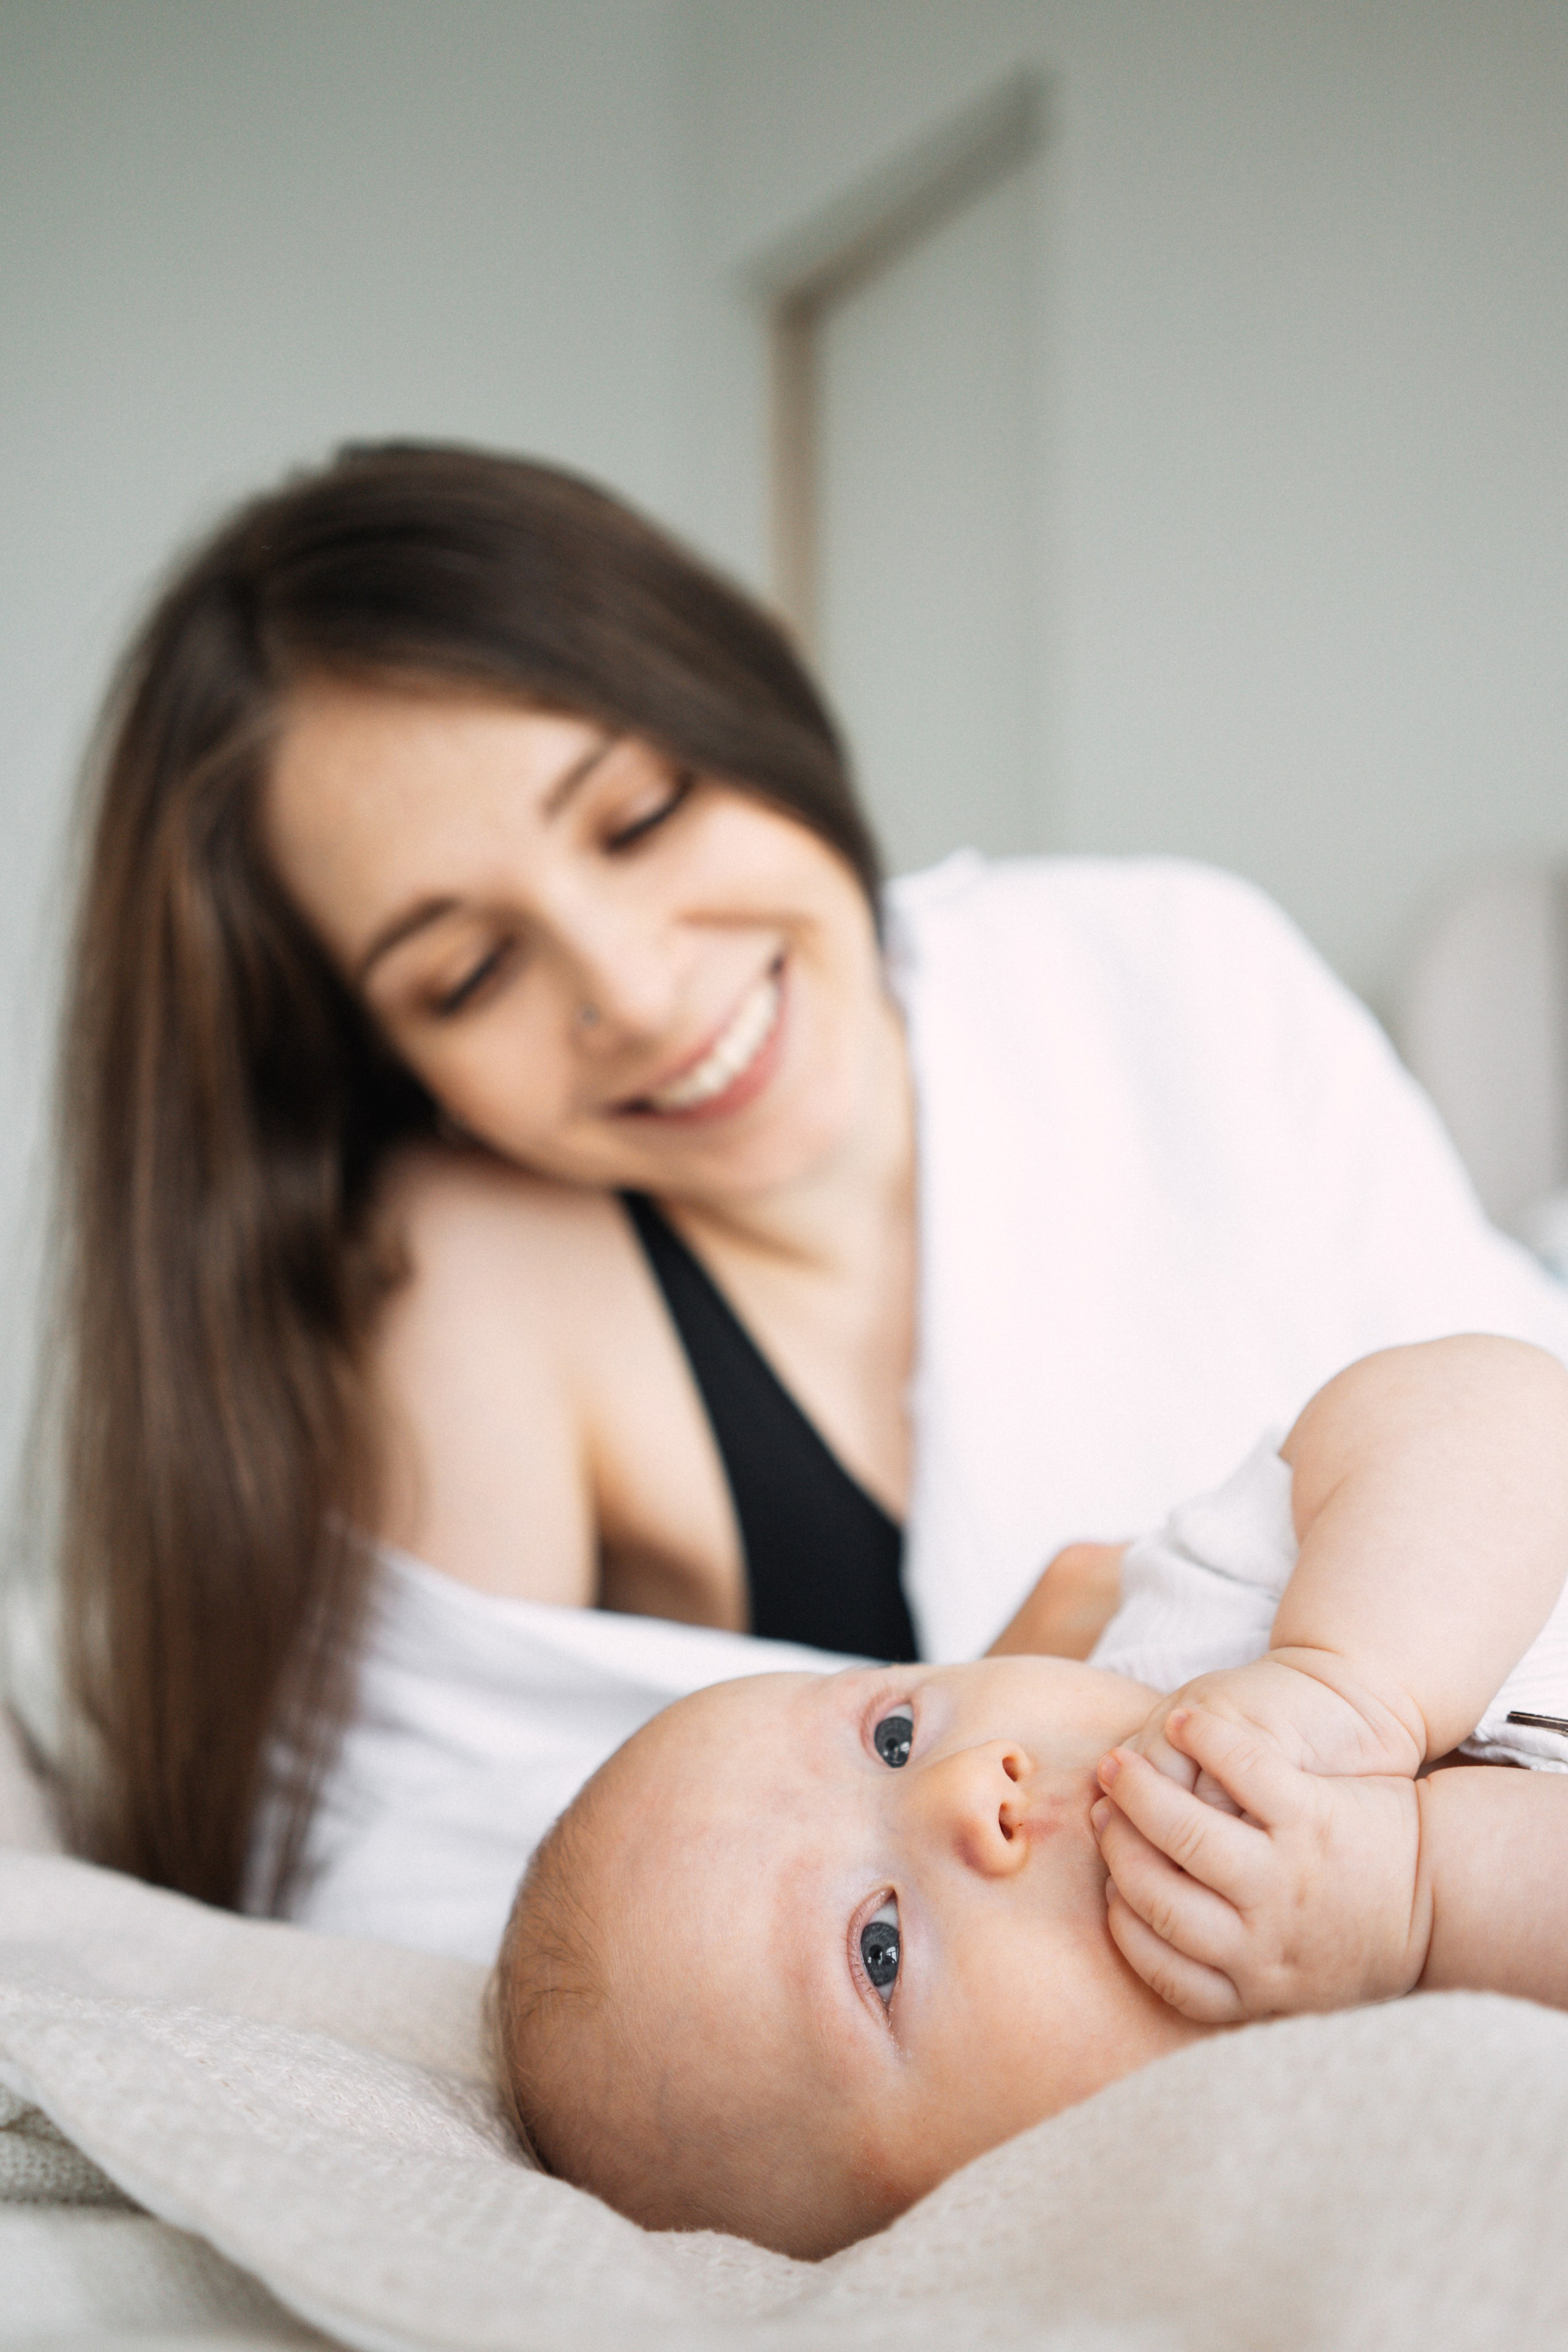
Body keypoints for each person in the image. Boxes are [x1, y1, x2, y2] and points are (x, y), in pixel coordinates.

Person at [38, 440, 1568, 1952]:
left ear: (741, 698)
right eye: (469, 972)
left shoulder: (1169, 973)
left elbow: (1513, 1446)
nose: (634, 990)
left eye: (638, 818)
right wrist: (987, 1710)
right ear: (383, 1058)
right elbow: (414, 1900)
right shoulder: (481, 1269)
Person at [490, 1336, 1568, 2260]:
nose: (972, 1784)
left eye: (895, 1735)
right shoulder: (1298, 2190)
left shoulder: (1182, 1635)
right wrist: (1413, 1901)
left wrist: (1347, 1675)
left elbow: (1494, 1409)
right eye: (880, 1951)